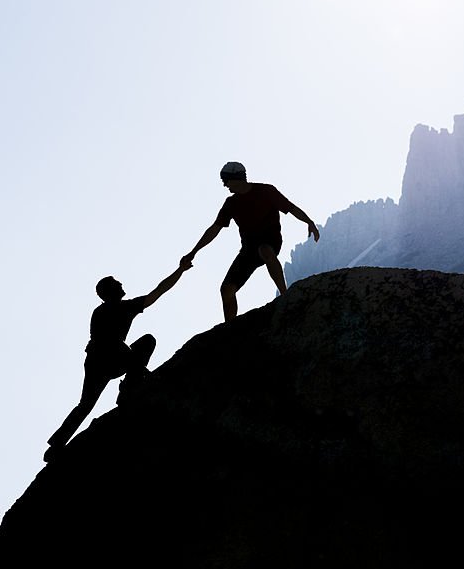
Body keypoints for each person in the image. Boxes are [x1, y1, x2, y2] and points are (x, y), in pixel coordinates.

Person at [44, 259, 192, 462]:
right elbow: (156, 294)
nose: (122, 285)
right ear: (110, 291)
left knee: (86, 403)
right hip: (104, 359)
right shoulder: (110, 310)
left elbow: (157, 292)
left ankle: (57, 444)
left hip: (106, 359)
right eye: (117, 283)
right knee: (87, 403)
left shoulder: (118, 308)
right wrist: (180, 270)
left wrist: (180, 271)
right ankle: (128, 389)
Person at [182, 161, 319, 321]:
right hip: (248, 250)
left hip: (271, 240)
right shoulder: (231, 203)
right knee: (226, 289)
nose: (225, 185)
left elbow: (291, 208)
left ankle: (285, 295)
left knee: (265, 250)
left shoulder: (266, 191)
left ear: (235, 178)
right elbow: (214, 229)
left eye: (225, 181)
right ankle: (230, 328)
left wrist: (309, 222)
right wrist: (193, 252)